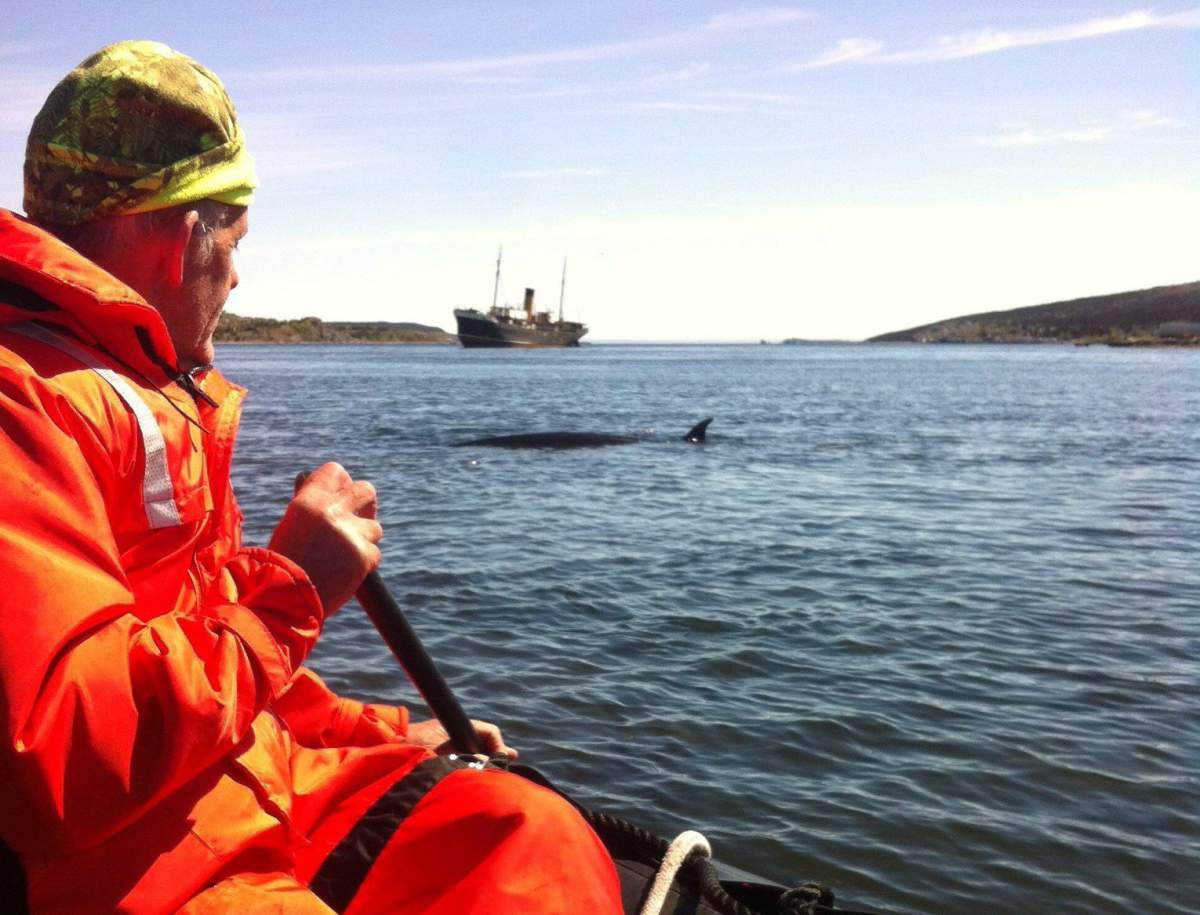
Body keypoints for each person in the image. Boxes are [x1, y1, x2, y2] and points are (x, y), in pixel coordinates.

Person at [0, 41, 622, 914]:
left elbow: (214, 648)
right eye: (237, 238)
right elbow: (57, 760)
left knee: (530, 834)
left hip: (251, 786)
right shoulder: (21, 402)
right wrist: (291, 591)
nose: (240, 272)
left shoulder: (153, 392)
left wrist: (388, 729)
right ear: (185, 239)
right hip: (146, 868)